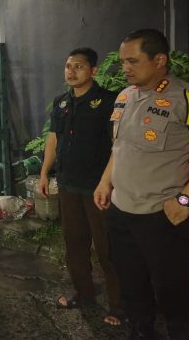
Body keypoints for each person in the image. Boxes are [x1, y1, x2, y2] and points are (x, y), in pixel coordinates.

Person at [94, 29, 189, 340]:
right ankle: (140, 331)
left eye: (132, 61)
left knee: (175, 291)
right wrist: (105, 181)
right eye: (123, 61)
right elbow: (119, 147)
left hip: (161, 217)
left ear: (160, 60)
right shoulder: (125, 96)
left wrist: (183, 201)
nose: (124, 67)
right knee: (132, 285)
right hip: (121, 213)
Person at [37, 47, 122, 326]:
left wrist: (108, 181)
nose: (71, 72)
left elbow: (117, 145)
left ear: (94, 71)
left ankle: (119, 306)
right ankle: (83, 294)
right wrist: (44, 173)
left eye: (79, 67)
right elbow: (53, 139)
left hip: (98, 188)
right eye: (68, 66)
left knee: (107, 248)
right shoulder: (62, 102)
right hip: (69, 185)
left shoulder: (108, 101)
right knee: (74, 244)